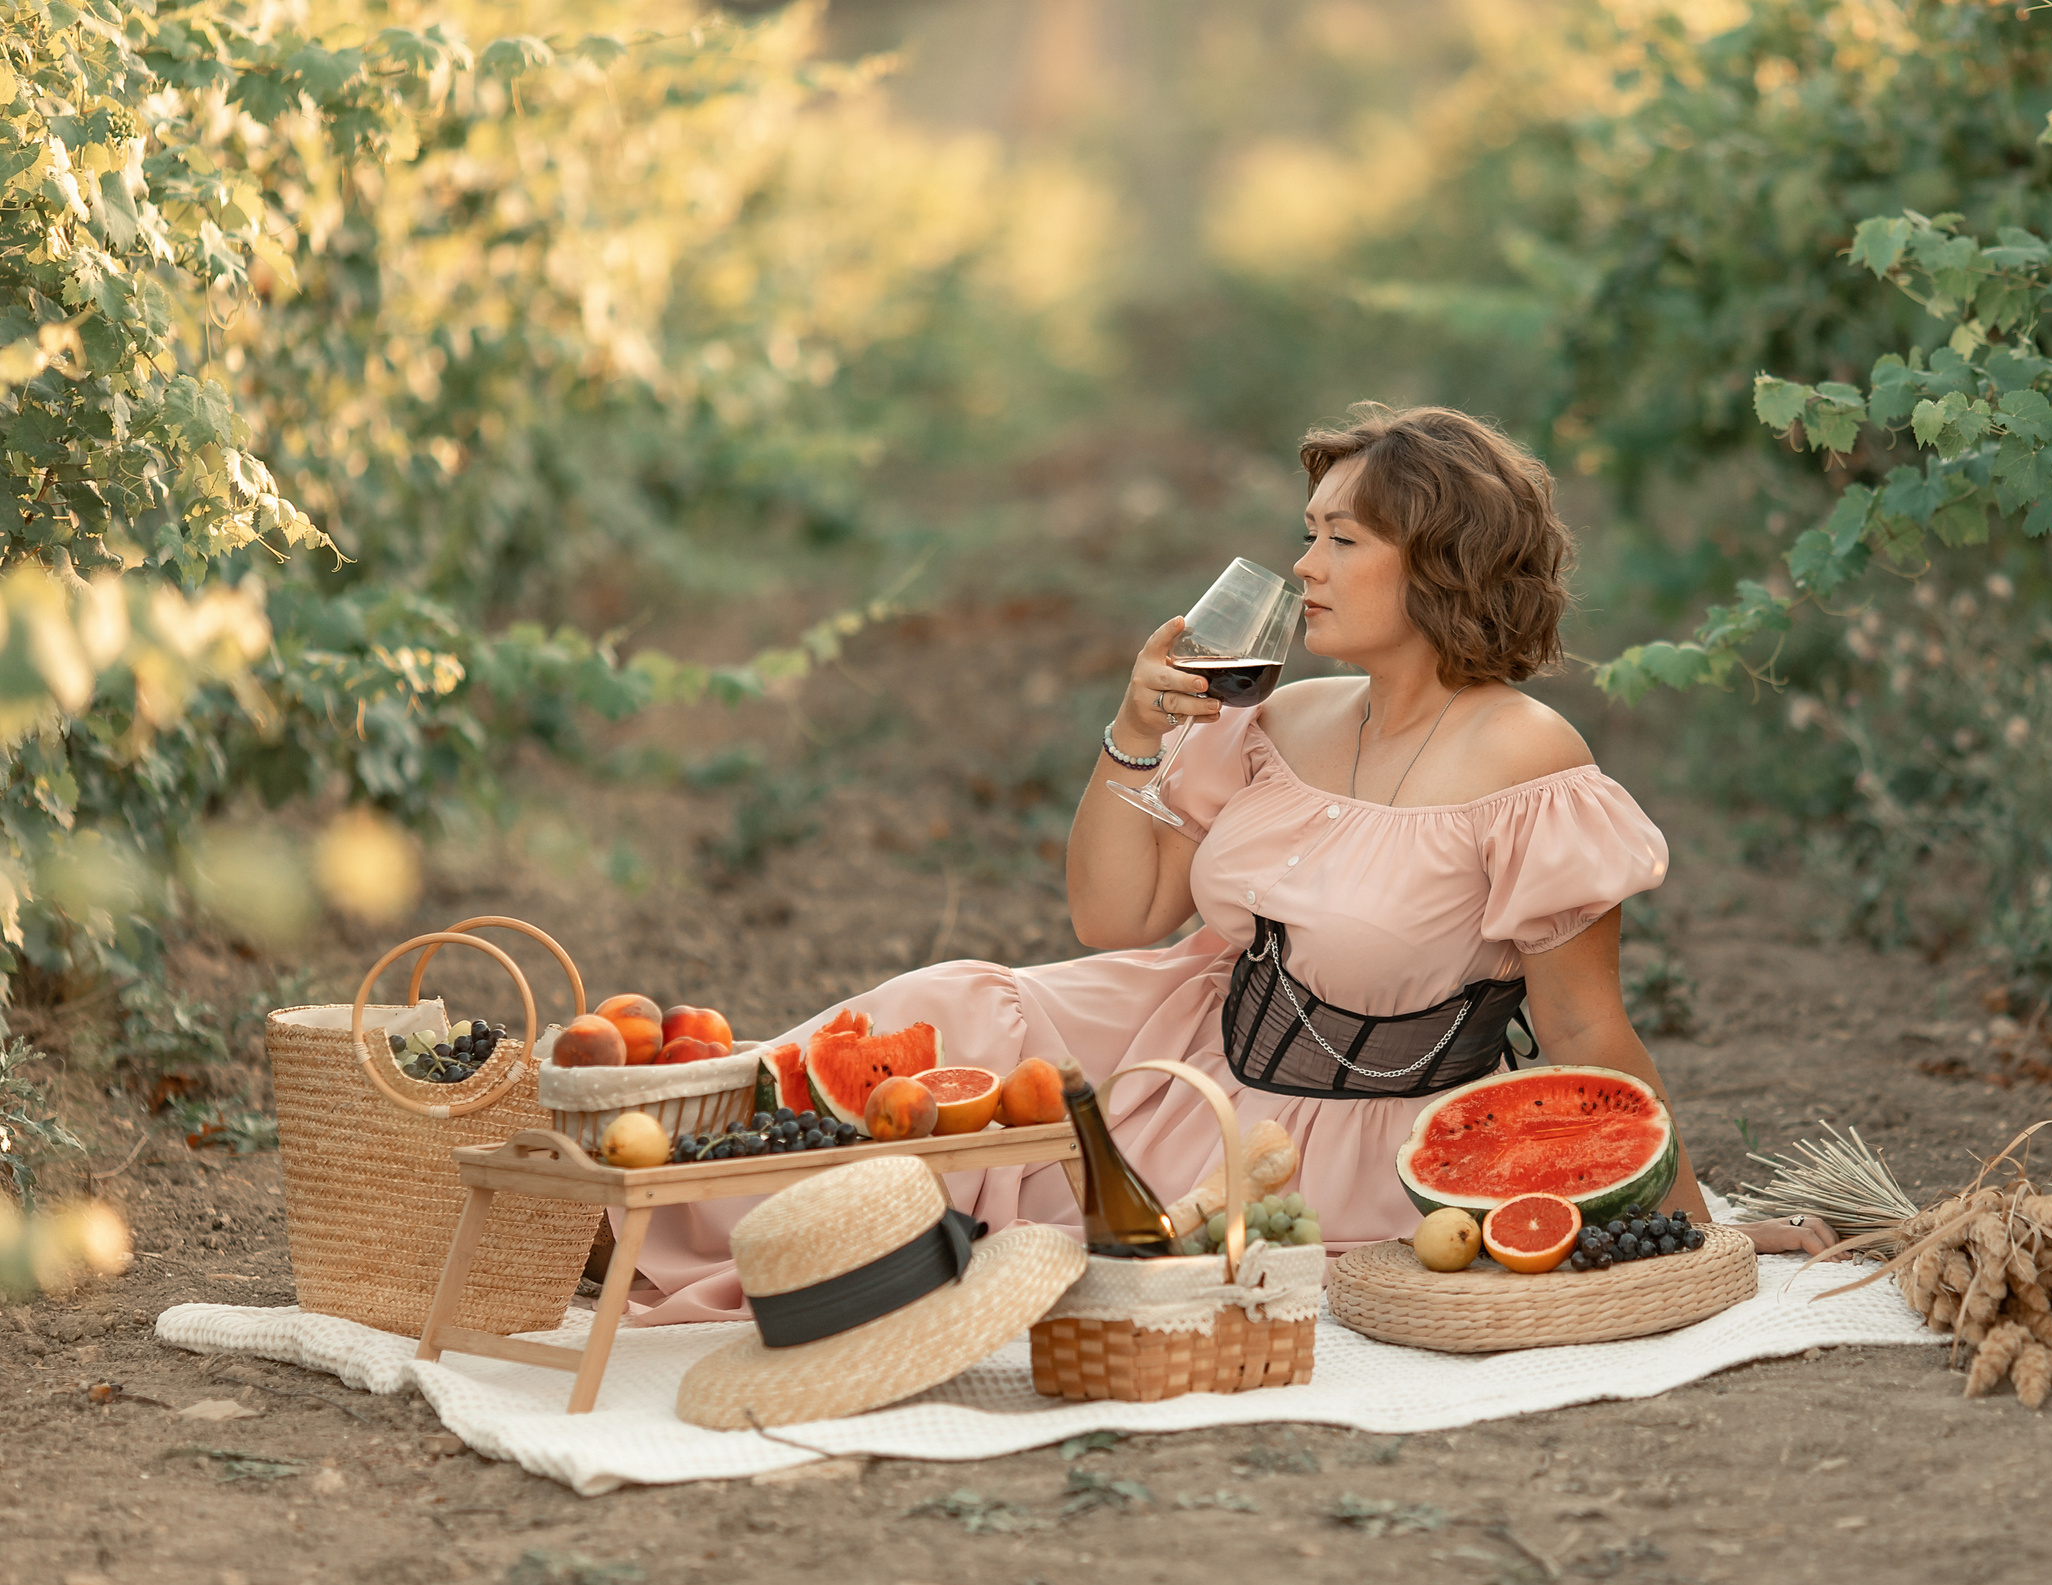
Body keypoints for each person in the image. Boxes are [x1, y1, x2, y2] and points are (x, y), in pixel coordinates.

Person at [612, 404, 1840, 1322]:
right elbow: (1115, 915)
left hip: (1331, 1147)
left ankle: (668, 1226)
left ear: (1440, 560)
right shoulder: (1283, 720)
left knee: (1041, 1214)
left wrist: (1692, 1227)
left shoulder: (1530, 762)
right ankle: (620, 1182)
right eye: (1307, 535)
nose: (1303, 567)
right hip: (1176, 1052)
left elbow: (1584, 1031)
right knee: (945, 1007)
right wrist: (1134, 731)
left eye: (1340, 539)